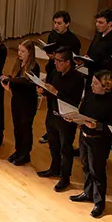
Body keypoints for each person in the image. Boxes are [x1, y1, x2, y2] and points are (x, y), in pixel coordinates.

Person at [69, 71, 112, 217]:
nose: (92, 85)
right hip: (85, 137)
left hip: (99, 141)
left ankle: (99, 202)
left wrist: (97, 126)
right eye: (92, 82)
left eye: (96, 83)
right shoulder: (90, 95)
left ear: (106, 85)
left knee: (97, 170)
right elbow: (82, 112)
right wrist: (74, 118)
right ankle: (88, 192)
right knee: (86, 166)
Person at [37, 48, 85, 192]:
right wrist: (43, 90)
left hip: (66, 118)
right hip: (52, 113)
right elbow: (50, 90)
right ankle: (54, 168)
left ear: (68, 62)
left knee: (65, 148)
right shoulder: (55, 72)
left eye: (59, 61)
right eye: (55, 60)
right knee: (53, 144)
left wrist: (57, 92)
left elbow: (74, 100)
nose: (55, 63)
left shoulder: (77, 78)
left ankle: (65, 177)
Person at [39, 10, 82, 145]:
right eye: (55, 23)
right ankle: (50, 130)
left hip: (66, 75)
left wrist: (58, 59)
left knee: (62, 100)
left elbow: (74, 60)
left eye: (59, 23)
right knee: (51, 100)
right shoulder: (52, 35)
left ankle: (61, 130)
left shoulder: (74, 41)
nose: (56, 26)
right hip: (53, 70)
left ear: (67, 24)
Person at [2, 39, 40, 166]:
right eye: (19, 50)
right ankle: (18, 151)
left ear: (30, 52)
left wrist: (10, 80)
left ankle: (25, 154)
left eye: (23, 51)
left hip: (27, 103)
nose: (19, 53)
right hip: (16, 100)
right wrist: (8, 80)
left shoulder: (34, 66)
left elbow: (26, 81)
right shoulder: (18, 64)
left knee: (25, 128)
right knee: (17, 127)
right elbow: (16, 80)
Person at [85, 8, 112, 74]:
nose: (97, 25)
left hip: (103, 76)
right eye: (96, 22)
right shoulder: (98, 35)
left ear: (109, 23)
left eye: (101, 23)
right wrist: (85, 59)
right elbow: (90, 52)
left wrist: (93, 61)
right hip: (92, 71)